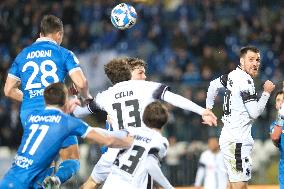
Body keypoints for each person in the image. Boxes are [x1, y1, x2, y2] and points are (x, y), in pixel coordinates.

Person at [73, 57, 218, 189]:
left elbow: (80, 112)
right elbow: (174, 98)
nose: (145, 76)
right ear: (128, 72)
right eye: (141, 73)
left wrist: (70, 101)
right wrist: (202, 111)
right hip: (141, 149)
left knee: (91, 183)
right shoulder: (146, 87)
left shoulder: (106, 95)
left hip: (114, 150)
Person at [3, 14, 93, 187]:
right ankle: (55, 180)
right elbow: (81, 82)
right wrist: (86, 97)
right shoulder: (63, 53)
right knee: (72, 158)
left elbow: (8, 90)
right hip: (55, 113)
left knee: (42, 162)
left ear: (41, 33)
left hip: (28, 114)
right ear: (59, 34)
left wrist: (31, 97)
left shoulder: (23, 55)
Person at [0, 82, 132, 189]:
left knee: (48, 161)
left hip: (8, 180)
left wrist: (69, 99)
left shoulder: (32, 117)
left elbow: (55, 109)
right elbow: (108, 140)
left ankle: (53, 181)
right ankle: (55, 180)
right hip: (29, 183)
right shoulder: (68, 122)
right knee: (69, 162)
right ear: (65, 101)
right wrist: (133, 141)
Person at [206, 46, 275, 189]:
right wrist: (266, 93)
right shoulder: (245, 81)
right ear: (241, 61)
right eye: (251, 60)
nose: (255, 63)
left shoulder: (232, 75)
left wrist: (208, 108)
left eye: (257, 60)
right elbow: (254, 112)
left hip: (230, 137)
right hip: (237, 141)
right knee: (240, 186)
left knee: (232, 184)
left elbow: (213, 85)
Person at [102, 101, 174, 189]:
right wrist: (169, 187)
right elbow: (150, 165)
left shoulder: (131, 131)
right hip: (132, 185)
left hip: (111, 183)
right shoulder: (160, 141)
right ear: (165, 119)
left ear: (144, 118)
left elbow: (108, 135)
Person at [270, 90, 284, 187]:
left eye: (283, 100)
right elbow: (275, 138)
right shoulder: (274, 126)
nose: (281, 102)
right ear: (276, 105)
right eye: (278, 100)